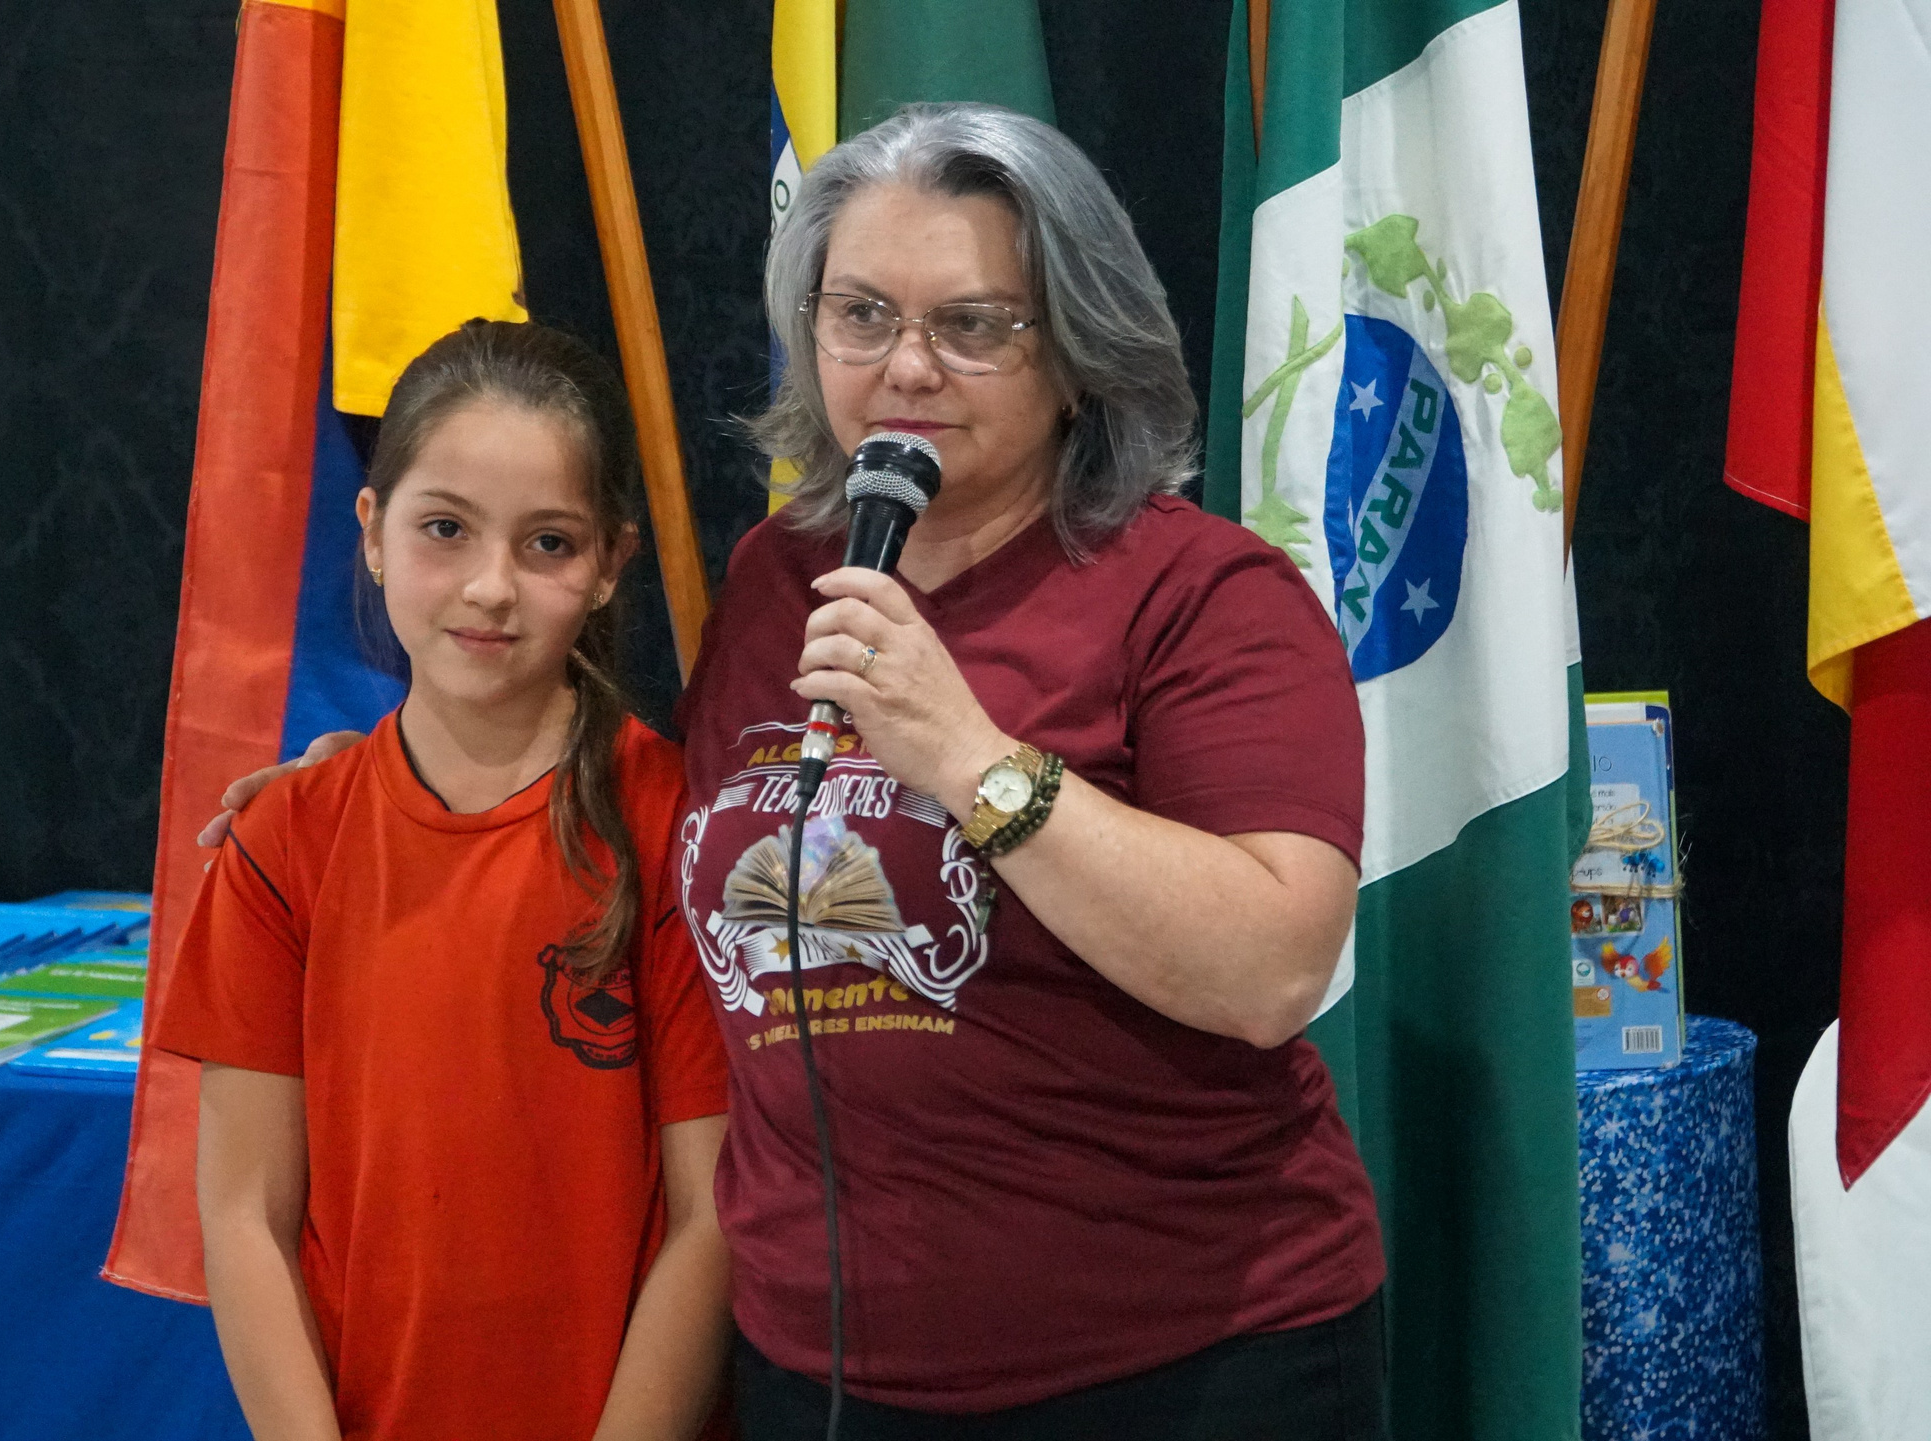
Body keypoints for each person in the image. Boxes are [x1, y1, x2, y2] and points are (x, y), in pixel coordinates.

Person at [212, 105, 1386, 1440]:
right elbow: (659, 820)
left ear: (1073, 347)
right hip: (817, 1372)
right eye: (863, 315)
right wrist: (354, 790)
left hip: (1174, 1367)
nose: (909, 367)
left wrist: (966, 756)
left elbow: (1271, 971)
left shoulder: (1203, 592)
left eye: (975, 324)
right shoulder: (786, 578)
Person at [155, 319, 733, 1441]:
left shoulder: (679, 830)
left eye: (547, 544)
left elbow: (710, 1215)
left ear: (612, 561)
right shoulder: (284, 844)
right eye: (444, 529)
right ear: (370, 532)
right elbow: (243, 1211)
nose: (488, 587)